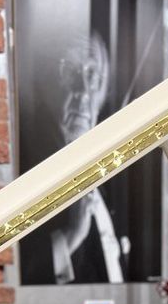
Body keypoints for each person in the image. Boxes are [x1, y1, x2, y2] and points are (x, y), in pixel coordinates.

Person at [22, 33, 131, 285]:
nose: (83, 93)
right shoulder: (30, 172)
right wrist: (71, 236)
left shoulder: (106, 178)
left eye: (93, 77)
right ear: (45, 85)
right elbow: (16, 273)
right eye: (70, 72)